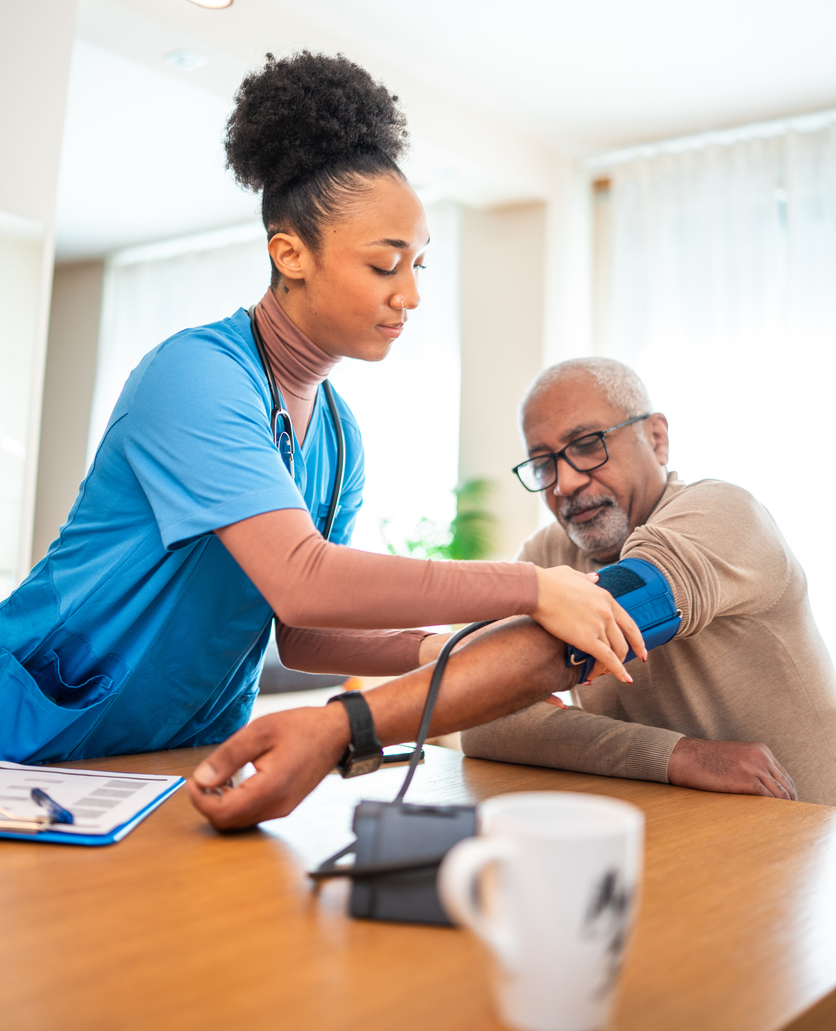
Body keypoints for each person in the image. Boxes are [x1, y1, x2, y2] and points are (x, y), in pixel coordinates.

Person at [0, 53, 642, 767]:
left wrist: (445, 651)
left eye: (418, 265)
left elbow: (302, 634)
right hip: (28, 731)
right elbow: (304, 580)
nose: (411, 295)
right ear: (291, 253)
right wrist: (529, 589)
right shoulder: (195, 377)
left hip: (170, 749)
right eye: (383, 264)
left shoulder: (338, 438)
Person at [460, 358, 836, 806]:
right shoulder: (548, 554)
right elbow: (478, 717)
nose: (564, 482)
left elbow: (621, 609)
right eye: (543, 465)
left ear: (656, 439)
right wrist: (674, 755)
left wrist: (489, 680)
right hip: (668, 831)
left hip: (810, 839)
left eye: (586, 444)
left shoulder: (723, 512)